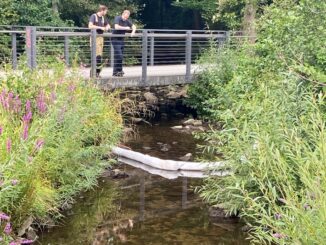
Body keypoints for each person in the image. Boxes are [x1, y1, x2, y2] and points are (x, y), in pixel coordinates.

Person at [112, 10, 137, 77]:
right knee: (119, 55)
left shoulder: (127, 20)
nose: (126, 18)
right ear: (123, 14)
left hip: (122, 40)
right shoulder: (118, 18)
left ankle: (115, 72)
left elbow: (134, 27)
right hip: (115, 39)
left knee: (118, 56)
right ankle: (120, 70)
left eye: (127, 17)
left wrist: (133, 32)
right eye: (125, 17)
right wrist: (125, 27)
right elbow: (116, 27)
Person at [88, 5, 111, 78]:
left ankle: (97, 73)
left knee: (99, 56)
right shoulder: (94, 16)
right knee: (95, 55)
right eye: (105, 11)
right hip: (95, 37)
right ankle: (93, 74)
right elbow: (90, 26)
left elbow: (108, 25)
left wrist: (107, 27)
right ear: (102, 10)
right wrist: (100, 27)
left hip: (101, 37)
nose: (106, 12)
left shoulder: (103, 18)